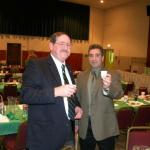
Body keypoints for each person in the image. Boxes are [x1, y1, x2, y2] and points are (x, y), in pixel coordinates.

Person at [20, 32, 83, 150]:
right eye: (62, 43)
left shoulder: (68, 68)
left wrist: (76, 106)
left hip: (67, 133)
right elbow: (25, 95)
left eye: (69, 45)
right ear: (51, 46)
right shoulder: (37, 65)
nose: (66, 47)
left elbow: (70, 95)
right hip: (45, 137)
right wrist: (55, 92)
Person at [76, 44, 124, 150]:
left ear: (102, 58)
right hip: (85, 126)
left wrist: (107, 87)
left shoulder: (112, 74)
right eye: (91, 55)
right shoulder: (81, 76)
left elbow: (119, 94)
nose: (94, 59)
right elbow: (78, 100)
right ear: (88, 57)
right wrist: (76, 123)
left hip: (105, 125)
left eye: (97, 55)